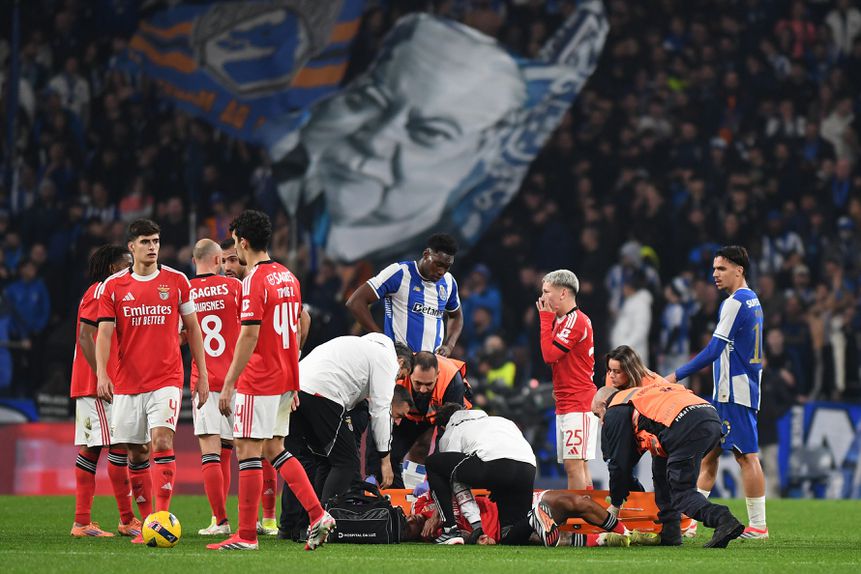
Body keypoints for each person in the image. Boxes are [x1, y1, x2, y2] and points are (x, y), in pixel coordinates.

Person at [267, 1, 607, 262]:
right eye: (372, 100)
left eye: (428, 132)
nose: (377, 139)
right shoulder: (292, 179)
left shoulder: (439, 266)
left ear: (484, 155)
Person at [208, 210, 332, 551]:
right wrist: (293, 380)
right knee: (274, 448)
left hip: (259, 378)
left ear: (243, 242)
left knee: (246, 449)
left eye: (235, 241)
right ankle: (318, 514)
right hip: (283, 379)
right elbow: (295, 330)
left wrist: (229, 383)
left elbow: (249, 335)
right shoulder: (289, 277)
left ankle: (246, 535)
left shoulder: (254, 281)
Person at [95, 219, 210, 544]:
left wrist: (202, 374)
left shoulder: (177, 280)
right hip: (128, 382)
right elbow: (104, 334)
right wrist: (102, 373)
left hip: (166, 378)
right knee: (136, 452)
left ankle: (161, 517)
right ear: (131, 247)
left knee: (160, 441)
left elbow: (193, 328)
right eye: (146, 241)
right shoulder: (113, 287)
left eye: (156, 241)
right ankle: (147, 522)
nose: (152, 247)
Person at [665, 246, 768, 539]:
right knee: (709, 455)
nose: (715, 274)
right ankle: (691, 519)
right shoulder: (752, 300)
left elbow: (714, 350)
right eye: (713, 269)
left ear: (739, 270)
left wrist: (676, 375)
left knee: (746, 456)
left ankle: (758, 526)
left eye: (721, 268)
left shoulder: (735, 303)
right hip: (729, 391)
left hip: (736, 391)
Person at [595, 383, 746, 549]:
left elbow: (619, 463)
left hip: (684, 425)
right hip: (707, 416)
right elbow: (626, 464)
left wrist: (615, 503)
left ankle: (723, 519)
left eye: (597, 414)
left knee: (681, 492)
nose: (601, 421)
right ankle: (671, 532)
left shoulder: (615, 409)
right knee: (661, 472)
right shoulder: (639, 395)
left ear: (603, 404)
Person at [285, 334, 415, 503]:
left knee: (320, 460)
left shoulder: (358, 347)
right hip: (323, 392)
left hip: (296, 389)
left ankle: (306, 518)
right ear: (401, 362)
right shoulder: (387, 359)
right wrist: (385, 459)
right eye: (401, 376)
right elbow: (381, 410)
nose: (397, 380)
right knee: (347, 463)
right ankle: (327, 517)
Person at [70, 245, 140, 538]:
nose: (131, 268)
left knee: (105, 446)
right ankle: (108, 521)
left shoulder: (113, 292)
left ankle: (97, 521)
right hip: (98, 383)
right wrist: (101, 375)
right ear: (113, 268)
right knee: (114, 445)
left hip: (108, 381)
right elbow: (85, 336)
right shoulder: (100, 291)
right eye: (127, 264)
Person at [188, 239, 242, 537]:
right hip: (237, 380)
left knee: (210, 451)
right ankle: (260, 520)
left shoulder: (185, 291)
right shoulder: (235, 288)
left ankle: (220, 520)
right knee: (239, 452)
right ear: (219, 260)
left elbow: (178, 335)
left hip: (204, 382)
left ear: (194, 260)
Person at [424, 404, 537, 545]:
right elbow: (507, 454)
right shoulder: (502, 421)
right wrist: (497, 484)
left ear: (442, 427)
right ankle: (535, 519)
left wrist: (476, 525)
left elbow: (457, 483)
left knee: (432, 464)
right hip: (528, 467)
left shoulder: (452, 430)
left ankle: (450, 530)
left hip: (493, 464)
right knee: (511, 534)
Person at [406, 487, 658, 548]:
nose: (411, 520)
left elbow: (448, 481)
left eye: (406, 519)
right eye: (408, 529)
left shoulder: (422, 501)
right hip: (505, 530)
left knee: (577, 502)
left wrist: (438, 513)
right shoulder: (435, 538)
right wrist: (477, 538)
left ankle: (626, 533)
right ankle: (606, 540)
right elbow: (464, 537)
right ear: (414, 537)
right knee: (541, 537)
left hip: (512, 503)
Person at [345, 233, 463, 355]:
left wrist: (449, 346)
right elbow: (355, 302)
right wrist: (382, 339)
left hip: (433, 362)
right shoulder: (399, 273)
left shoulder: (449, 281)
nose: (441, 271)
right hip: (400, 360)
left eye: (447, 267)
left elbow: (456, 316)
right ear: (426, 254)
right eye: (438, 264)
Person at [368, 350, 471, 488]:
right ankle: (396, 496)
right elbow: (378, 420)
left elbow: (449, 435)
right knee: (388, 456)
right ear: (409, 372)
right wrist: (371, 472)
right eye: (418, 383)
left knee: (436, 455)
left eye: (428, 384)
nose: (422, 389)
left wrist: (434, 480)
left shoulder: (452, 382)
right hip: (407, 415)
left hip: (441, 413)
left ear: (437, 374)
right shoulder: (396, 373)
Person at [536, 269, 597, 490]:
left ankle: (579, 511)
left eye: (546, 292)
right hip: (568, 401)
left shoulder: (575, 320)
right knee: (579, 466)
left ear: (563, 293)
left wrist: (545, 319)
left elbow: (549, 355)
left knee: (573, 466)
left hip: (578, 402)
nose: (542, 298)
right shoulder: (564, 321)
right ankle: (589, 509)